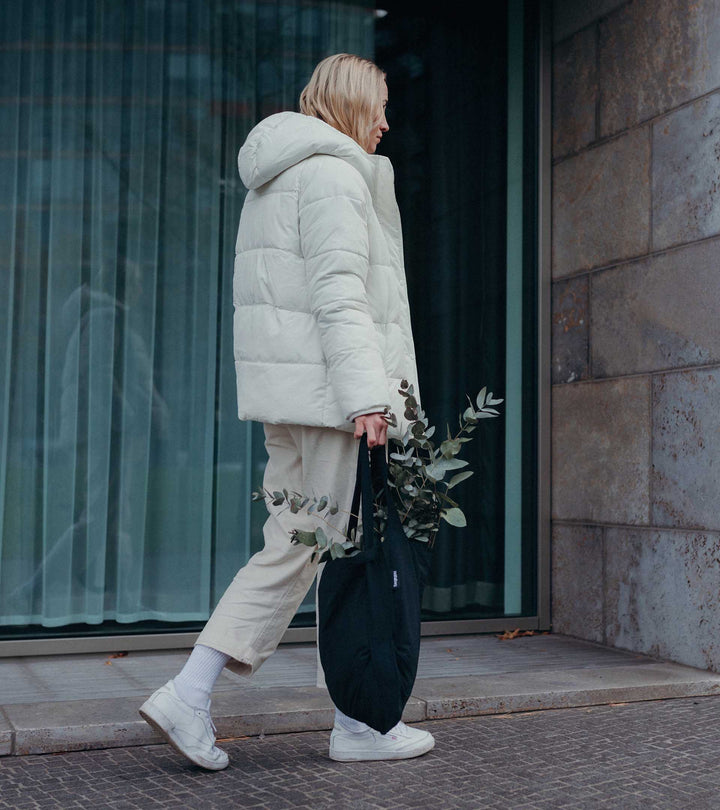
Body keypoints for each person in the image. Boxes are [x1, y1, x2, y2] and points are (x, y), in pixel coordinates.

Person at [139, 53, 433, 770]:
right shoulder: (334, 174)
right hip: (337, 398)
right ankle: (194, 691)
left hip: (297, 395)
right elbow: (339, 296)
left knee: (315, 544)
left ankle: (356, 722)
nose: (387, 123)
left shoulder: (280, 174)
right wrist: (369, 397)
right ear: (351, 106)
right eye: (379, 107)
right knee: (307, 547)